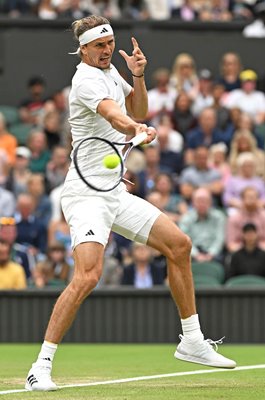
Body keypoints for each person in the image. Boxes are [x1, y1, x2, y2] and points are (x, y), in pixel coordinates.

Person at [25, 15, 236, 392]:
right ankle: (40, 366)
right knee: (88, 276)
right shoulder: (86, 79)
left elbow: (136, 109)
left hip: (115, 193)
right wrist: (135, 130)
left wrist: (137, 76)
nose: (107, 50)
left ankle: (191, 340)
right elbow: (118, 116)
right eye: (99, 46)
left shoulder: (109, 73)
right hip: (86, 194)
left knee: (180, 245)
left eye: (110, 43)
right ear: (84, 49)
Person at [179, 188, 226, 263]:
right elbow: (185, 241)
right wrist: (196, 255)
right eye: (199, 201)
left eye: (205, 201)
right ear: (193, 203)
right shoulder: (186, 218)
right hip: (192, 254)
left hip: (214, 254)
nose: (202, 204)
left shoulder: (219, 217)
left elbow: (220, 239)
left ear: (210, 203)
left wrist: (211, 254)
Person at [225, 187, 265, 253]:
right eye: (249, 197)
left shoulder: (264, 217)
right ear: (242, 199)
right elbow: (231, 245)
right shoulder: (233, 218)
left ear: (258, 199)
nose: (251, 200)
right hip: (240, 254)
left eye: (254, 197)